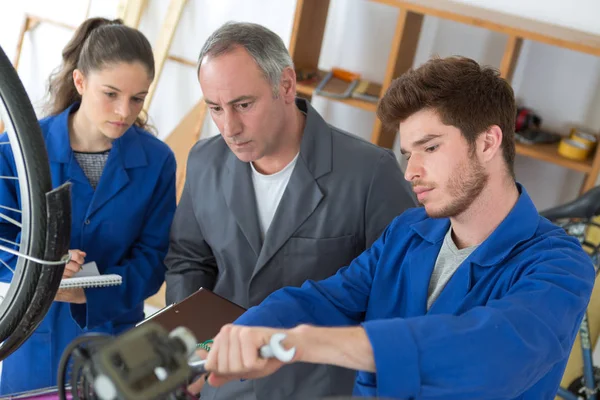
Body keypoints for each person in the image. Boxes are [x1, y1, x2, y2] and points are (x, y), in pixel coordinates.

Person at [196, 56, 596, 399]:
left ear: (488, 143)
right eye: (408, 154)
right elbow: (327, 300)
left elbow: (485, 352)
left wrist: (298, 343)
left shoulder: (561, 267)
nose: (411, 173)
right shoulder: (409, 232)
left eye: (431, 148)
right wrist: (240, 336)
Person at [164, 21, 417, 399]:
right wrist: (193, 351)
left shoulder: (370, 173)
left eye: (243, 105)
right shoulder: (204, 161)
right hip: (223, 385)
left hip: (322, 390)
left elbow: (400, 294)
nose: (229, 126)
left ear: (285, 85)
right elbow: (188, 259)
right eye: (215, 108)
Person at [0, 18, 176, 394]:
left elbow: (154, 259)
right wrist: (42, 275)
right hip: (32, 341)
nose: (124, 112)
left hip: (115, 342)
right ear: (80, 82)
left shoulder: (158, 161)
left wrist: (88, 293)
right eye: (110, 94)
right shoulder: (16, 150)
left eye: (137, 98)